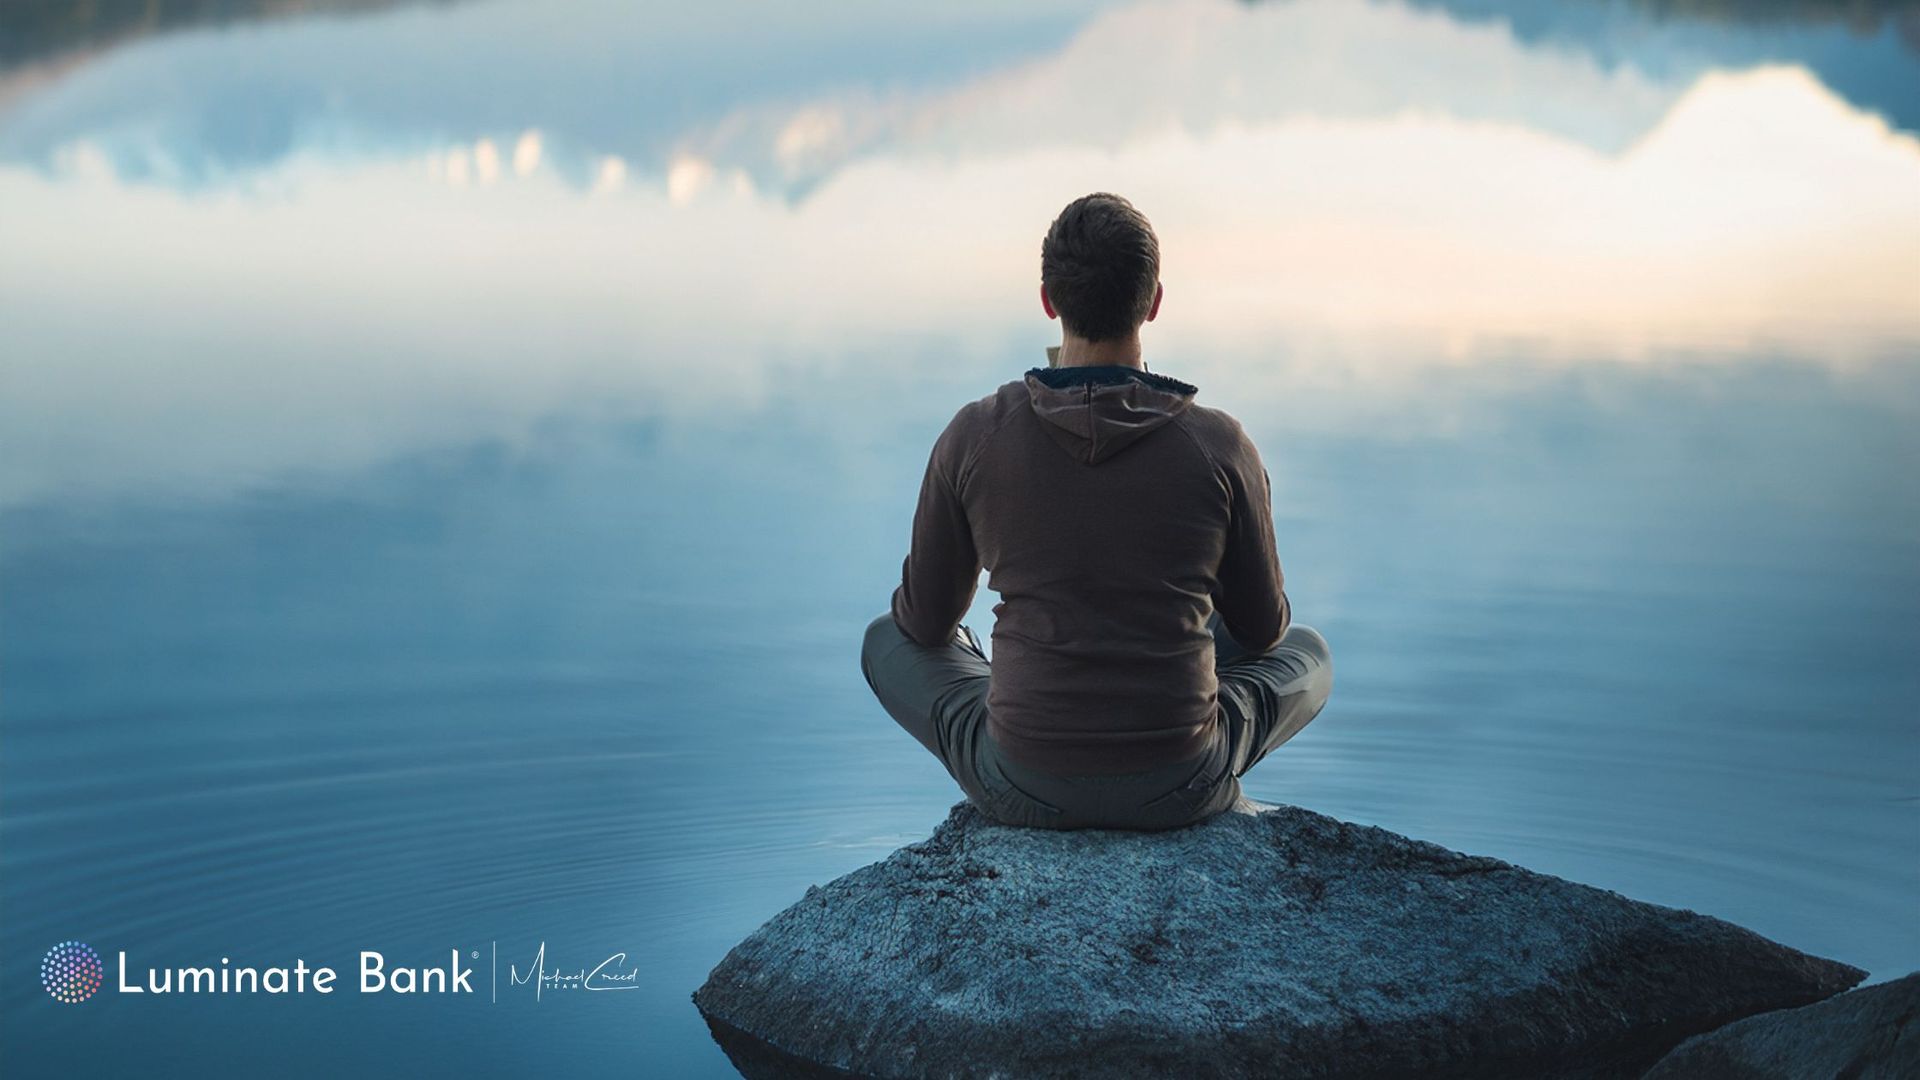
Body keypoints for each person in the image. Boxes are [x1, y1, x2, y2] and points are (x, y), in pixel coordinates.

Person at [860, 193, 1332, 830]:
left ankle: (1033, 708)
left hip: (1022, 782)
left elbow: (922, 623)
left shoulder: (975, 435)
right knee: (1306, 655)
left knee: (883, 639)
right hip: (1182, 781)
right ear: (1154, 301)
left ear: (1049, 300)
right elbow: (1263, 628)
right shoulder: (1222, 446)